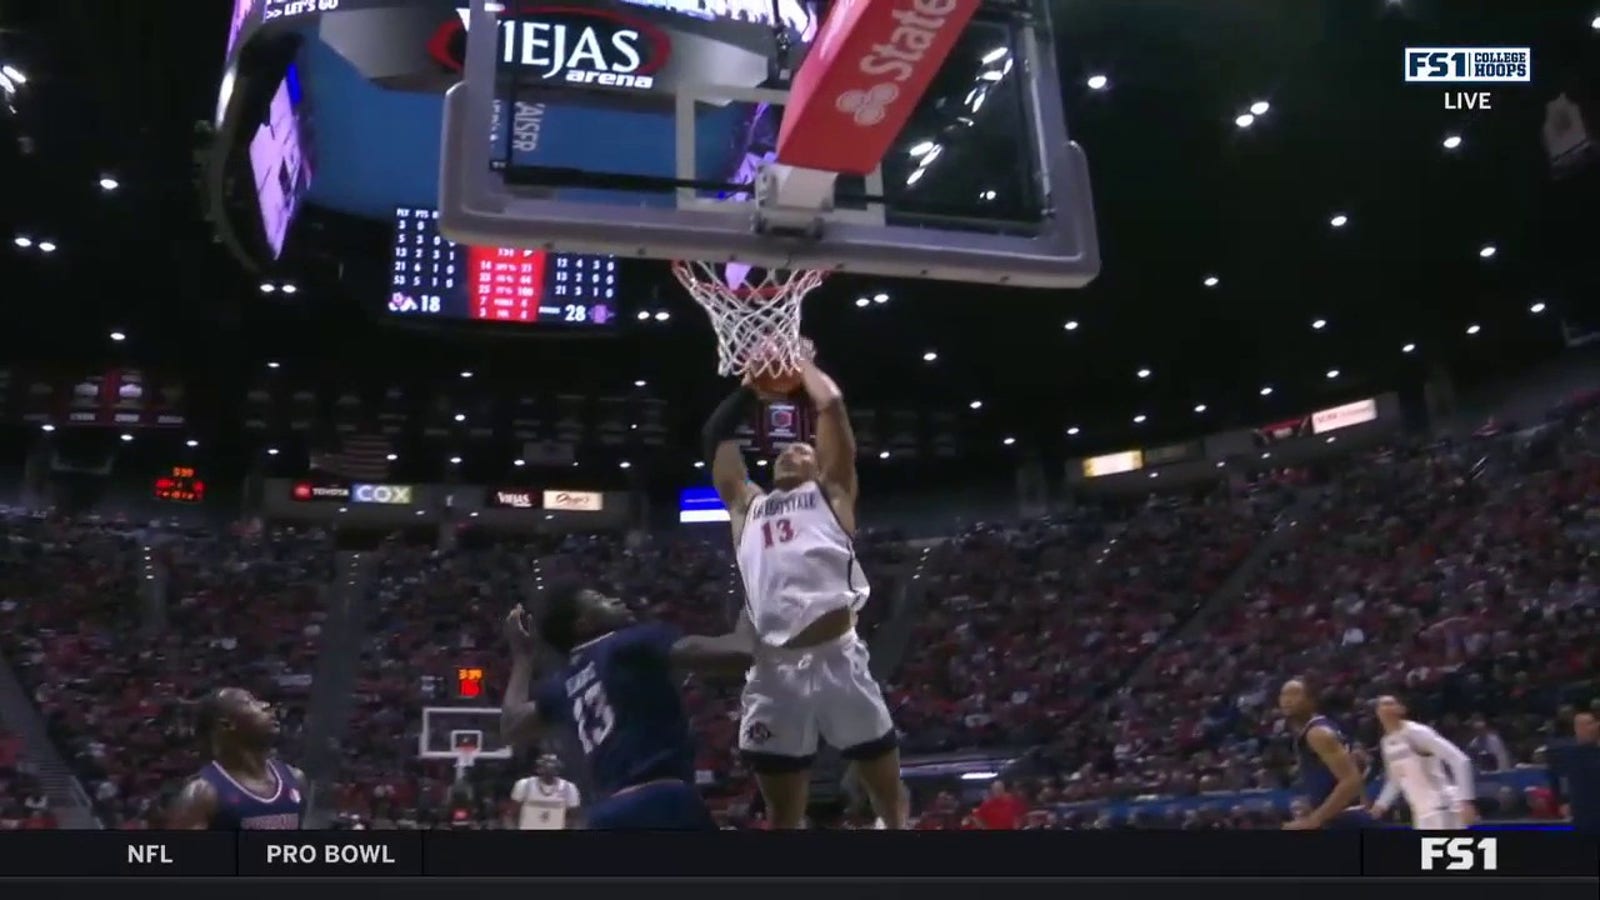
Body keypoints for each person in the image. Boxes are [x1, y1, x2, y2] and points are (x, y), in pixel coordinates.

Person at [703, 356, 905, 829]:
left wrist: (803, 365)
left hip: (838, 658)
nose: (792, 450)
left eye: (803, 448)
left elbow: (831, 406)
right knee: (782, 815)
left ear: (820, 464)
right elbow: (716, 436)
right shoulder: (746, 506)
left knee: (888, 797)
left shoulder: (832, 494)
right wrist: (750, 390)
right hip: (773, 670)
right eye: (783, 450)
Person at [499, 583, 752, 830]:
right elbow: (739, 654)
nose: (616, 600)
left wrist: (522, 658)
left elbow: (511, 725)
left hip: (605, 815)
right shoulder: (630, 642)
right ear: (584, 624)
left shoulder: (563, 683)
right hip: (663, 801)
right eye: (600, 600)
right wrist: (753, 606)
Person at [167, 687, 303, 830]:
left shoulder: (296, 779)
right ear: (227, 724)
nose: (265, 705)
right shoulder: (202, 795)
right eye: (248, 702)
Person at [1368, 695, 1479, 830]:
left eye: (1388, 703)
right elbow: (1396, 779)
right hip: (1421, 813)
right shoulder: (1386, 742)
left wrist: (1466, 800)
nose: (1383, 708)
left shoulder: (1417, 732)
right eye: (1380, 705)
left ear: (1401, 709)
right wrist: (1381, 805)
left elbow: (1459, 760)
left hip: (1442, 807)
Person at [1278, 677, 1373, 830]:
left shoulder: (1317, 733)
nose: (1287, 700)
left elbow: (1351, 779)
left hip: (1345, 819)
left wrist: (1314, 820)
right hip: (1342, 816)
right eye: (1284, 695)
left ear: (1311, 700)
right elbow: (1353, 766)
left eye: (1295, 694)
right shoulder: (1312, 730)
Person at [1545, 711, 1600, 834]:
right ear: (1578, 728)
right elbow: (1558, 778)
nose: (1595, 726)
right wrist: (1563, 801)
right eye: (1589, 724)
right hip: (1583, 812)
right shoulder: (1567, 753)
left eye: (1594, 723)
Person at [510, 753, 582, 830]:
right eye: (545, 767)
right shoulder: (524, 785)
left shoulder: (569, 788)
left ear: (558, 770)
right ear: (538, 769)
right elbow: (513, 813)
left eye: (552, 767)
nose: (549, 770)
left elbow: (574, 816)